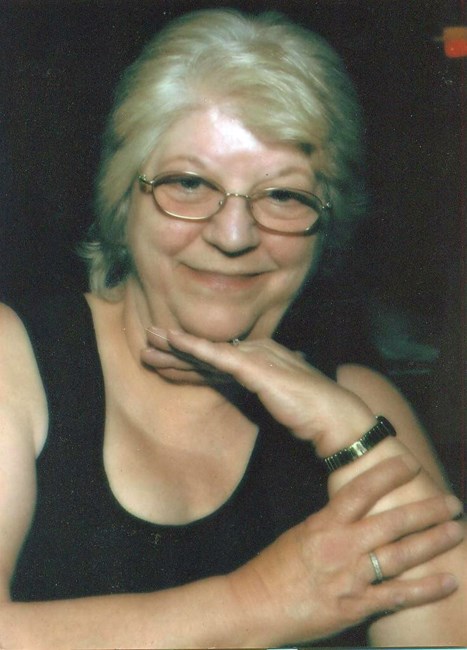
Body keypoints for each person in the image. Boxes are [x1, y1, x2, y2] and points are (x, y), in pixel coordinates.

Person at [0, 8, 465, 648]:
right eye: (189, 183)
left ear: (324, 229)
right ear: (122, 200)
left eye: (283, 196)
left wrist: (349, 430)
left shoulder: (361, 403)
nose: (235, 235)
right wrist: (260, 601)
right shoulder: (15, 359)